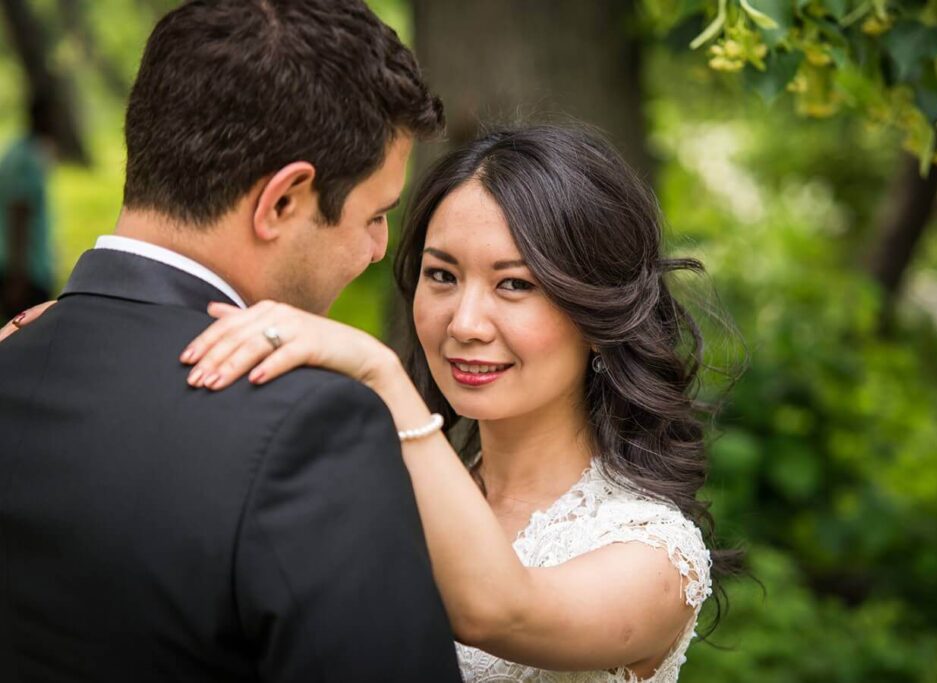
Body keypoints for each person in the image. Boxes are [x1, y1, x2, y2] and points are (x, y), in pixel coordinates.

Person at [111, 125, 741, 681]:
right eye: (441, 275)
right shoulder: (377, 485)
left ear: (597, 314)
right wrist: (106, 332)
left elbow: (497, 609)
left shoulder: (655, 553)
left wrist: (383, 376)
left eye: (514, 284)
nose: (464, 322)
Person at [0, 1, 461, 681]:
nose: (376, 250)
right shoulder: (311, 426)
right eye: (375, 214)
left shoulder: (12, 360)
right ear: (282, 202)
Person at [0, 96, 57, 321]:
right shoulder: (26, 159)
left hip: (25, 269)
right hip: (26, 273)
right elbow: (18, 215)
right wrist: (18, 278)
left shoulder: (25, 151)